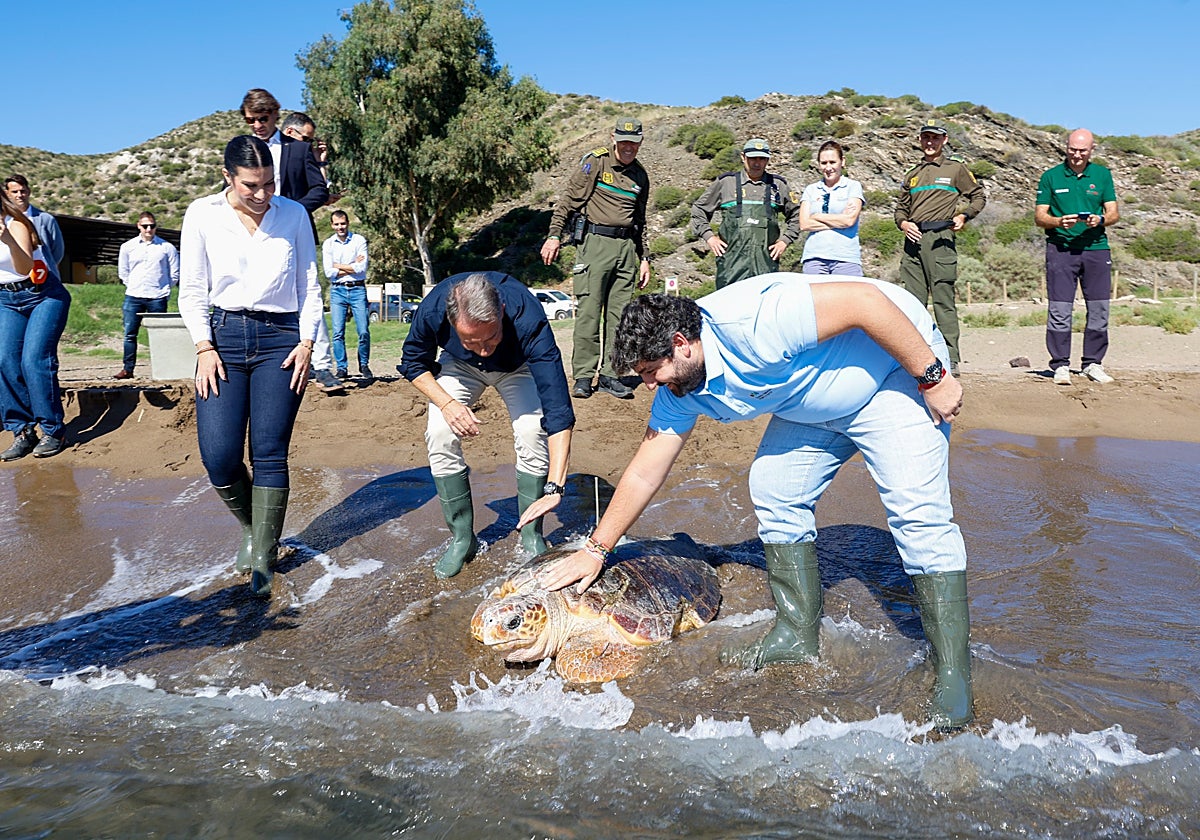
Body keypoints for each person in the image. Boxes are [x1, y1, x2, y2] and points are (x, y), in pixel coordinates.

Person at [536, 274, 975, 730]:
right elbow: (645, 470)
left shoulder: (755, 323)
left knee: (917, 515)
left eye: (651, 371)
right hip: (813, 402)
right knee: (774, 488)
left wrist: (933, 377)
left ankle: (953, 675)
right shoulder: (679, 390)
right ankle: (795, 633)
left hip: (894, 374)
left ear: (681, 344)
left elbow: (866, 301)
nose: (649, 386)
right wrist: (596, 549)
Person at [178, 135, 322, 597]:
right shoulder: (202, 214)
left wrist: (306, 341)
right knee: (218, 456)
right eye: (250, 186)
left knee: (269, 451)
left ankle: (264, 554)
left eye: (269, 184)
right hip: (221, 339)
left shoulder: (294, 215)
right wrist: (203, 347)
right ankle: (252, 525)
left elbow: (309, 284)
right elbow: (192, 288)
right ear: (228, 177)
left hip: (282, 340)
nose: (262, 195)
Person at [399, 271, 575, 579]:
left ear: (502, 312)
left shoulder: (527, 315)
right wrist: (448, 403)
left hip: (516, 367)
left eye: (491, 337)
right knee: (440, 430)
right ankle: (462, 539)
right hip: (460, 366)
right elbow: (412, 362)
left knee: (532, 429)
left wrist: (555, 486)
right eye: (471, 339)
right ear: (452, 322)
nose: (483, 348)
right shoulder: (433, 309)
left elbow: (558, 408)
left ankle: (531, 534)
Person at [540, 117, 651, 401]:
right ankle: (584, 376)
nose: (628, 147)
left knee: (621, 318)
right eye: (624, 141)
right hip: (595, 244)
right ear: (613, 138)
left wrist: (645, 257)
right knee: (588, 313)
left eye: (634, 142)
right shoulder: (596, 162)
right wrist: (554, 236)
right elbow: (567, 201)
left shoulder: (640, 175)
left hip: (626, 248)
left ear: (640, 143)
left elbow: (641, 221)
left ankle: (611, 376)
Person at [241, 90, 342, 395]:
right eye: (251, 120)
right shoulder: (243, 149)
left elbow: (319, 191)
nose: (257, 125)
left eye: (263, 118)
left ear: (275, 116)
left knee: (307, 292)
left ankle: (322, 365)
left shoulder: (298, 150)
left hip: (294, 230)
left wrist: (290, 210)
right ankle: (272, 361)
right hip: (254, 235)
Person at [894, 121, 986, 375]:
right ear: (920, 140)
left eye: (935, 138)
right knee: (912, 304)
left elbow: (978, 196)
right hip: (913, 242)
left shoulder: (955, 169)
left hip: (941, 240)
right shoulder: (912, 173)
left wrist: (965, 216)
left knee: (944, 301)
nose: (930, 142)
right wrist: (903, 223)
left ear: (944, 140)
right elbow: (901, 208)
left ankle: (950, 357)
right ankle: (912, 357)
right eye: (926, 138)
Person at [1034, 128, 1120, 386]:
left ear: (1092, 149)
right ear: (1066, 148)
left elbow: (1114, 213)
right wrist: (1058, 222)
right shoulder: (1051, 176)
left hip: (1096, 248)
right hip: (1061, 250)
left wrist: (1100, 219)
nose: (1077, 154)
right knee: (1060, 310)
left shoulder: (1102, 175)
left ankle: (1093, 363)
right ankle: (1060, 365)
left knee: (1099, 310)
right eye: (1072, 149)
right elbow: (1040, 217)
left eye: (1082, 150)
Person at [0, 190, 71, 460]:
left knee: (34, 361)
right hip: (5, 299)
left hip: (43, 295)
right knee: (5, 360)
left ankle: (53, 431)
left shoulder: (16, 223)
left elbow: (23, 266)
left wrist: (6, 238)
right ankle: (22, 431)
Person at [690, 138, 800, 288]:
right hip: (731, 267)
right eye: (752, 158)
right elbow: (699, 209)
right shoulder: (726, 183)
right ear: (743, 157)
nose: (757, 163)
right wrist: (709, 237)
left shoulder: (778, 185)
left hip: (766, 266)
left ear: (768, 160)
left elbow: (797, 214)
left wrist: (785, 241)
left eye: (762, 159)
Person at [114, 211, 179, 379]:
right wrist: (133, 285)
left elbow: (174, 274)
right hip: (134, 295)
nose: (148, 229)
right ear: (138, 226)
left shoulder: (167, 248)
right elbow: (123, 271)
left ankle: (163, 370)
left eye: (152, 226)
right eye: (145, 226)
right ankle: (128, 369)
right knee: (130, 333)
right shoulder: (127, 247)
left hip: (157, 296)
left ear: (156, 226)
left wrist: (163, 289)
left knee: (160, 335)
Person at [799, 140, 865, 275]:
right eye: (824, 163)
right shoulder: (811, 190)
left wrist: (817, 217)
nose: (828, 168)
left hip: (846, 258)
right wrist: (839, 221)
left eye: (832, 162)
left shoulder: (853, 187)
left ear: (843, 161)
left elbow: (849, 221)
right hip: (814, 258)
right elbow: (804, 224)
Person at [322, 209, 371, 379]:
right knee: (337, 332)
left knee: (363, 330)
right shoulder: (328, 244)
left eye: (342, 223)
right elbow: (329, 273)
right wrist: (351, 265)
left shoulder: (359, 241)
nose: (340, 227)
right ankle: (342, 367)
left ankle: (364, 364)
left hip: (358, 289)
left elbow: (361, 268)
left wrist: (338, 265)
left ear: (348, 223)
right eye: (336, 224)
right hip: (338, 290)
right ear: (332, 225)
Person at [4, 175, 64, 276]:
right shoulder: (4, 220)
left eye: (23, 191)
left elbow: (57, 251)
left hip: (43, 277)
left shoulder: (45, 219)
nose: (19, 195)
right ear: (7, 194)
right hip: (13, 278)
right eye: (14, 192)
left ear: (29, 192)